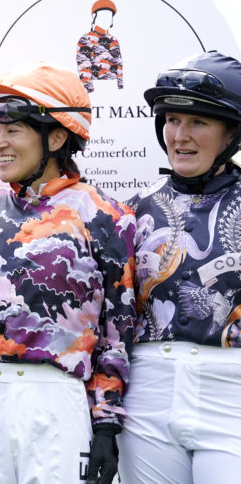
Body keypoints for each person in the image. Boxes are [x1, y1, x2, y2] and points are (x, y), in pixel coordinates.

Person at [0, 62, 136, 484]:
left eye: (13, 130)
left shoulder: (106, 215)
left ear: (57, 136)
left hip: (57, 398)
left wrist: (105, 421)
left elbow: (118, 330)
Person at [118, 50, 241, 484]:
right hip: (148, 392)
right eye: (171, 119)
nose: (180, 135)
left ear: (232, 134)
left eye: (198, 122)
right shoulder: (131, 211)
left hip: (232, 394)